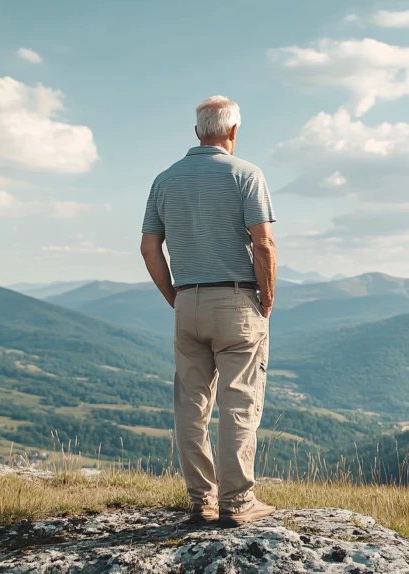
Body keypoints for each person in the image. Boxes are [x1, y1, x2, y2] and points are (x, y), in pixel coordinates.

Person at [140, 95, 277, 527]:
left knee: (190, 404)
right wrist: (267, 299)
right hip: (236, 300)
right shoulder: (247, 175)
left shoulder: (164, 181)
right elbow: (263, 243)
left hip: (188, 302)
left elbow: (149, 247)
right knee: (238, 402)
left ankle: (202, 500)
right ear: (233, 132)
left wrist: (175, 297)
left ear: (197, 131)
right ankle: (237, 503)